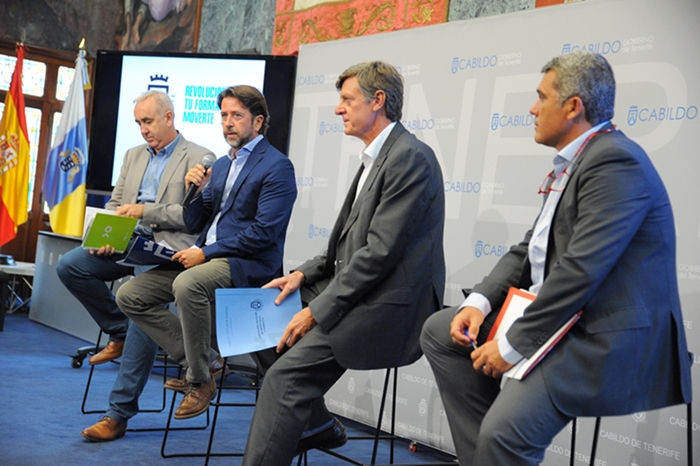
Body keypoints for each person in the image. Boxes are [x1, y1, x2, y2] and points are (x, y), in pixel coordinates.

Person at [420, 51, 692, 466]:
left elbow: (580, 273)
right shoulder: (581, 161)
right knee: (442, 330)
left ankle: (496, 450)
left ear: (573, 107)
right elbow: (531, 249)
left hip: (601, 338)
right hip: (567, 321)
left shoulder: (615, 161)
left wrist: (511, 345)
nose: (532, 108)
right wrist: (479, 303)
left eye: (541, 96)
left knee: (505, 434)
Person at [241, 61, 446, 466]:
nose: (338, 109)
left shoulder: (409, 158)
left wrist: (315, 311)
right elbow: (345, 248)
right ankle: (316, 424)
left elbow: (378, 254)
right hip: (360, 288)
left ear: (378, 101)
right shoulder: (380, 156)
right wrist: (302, 275)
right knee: (258, 324)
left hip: (386, 305)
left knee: (285, 378)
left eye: (347, 100)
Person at [117, 85, 297, 421]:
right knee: (130, 294)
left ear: (257, 122)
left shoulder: (277, 167)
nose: (228, 123)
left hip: (248, 263)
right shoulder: (224, 165)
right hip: (206, 257)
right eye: (224, 116)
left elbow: (264, 233)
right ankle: (206, 359)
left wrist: (206, 252)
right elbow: (194, 218)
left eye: (237, 116)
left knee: (189, 285)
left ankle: (199, 381)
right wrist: (196, 190)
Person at [56, 90, 215, 441]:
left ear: (169, 118)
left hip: (167, 254)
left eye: (148, 121)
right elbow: (116, 203)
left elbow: (191, 219)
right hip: (127, 242)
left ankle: (118, 414)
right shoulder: (131, 156)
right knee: (70, 265)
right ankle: (119, 331)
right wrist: (109, 232)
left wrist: (145, 211)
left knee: (139, 300)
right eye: (138, 123)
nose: (143, 129)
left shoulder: (200, 157)